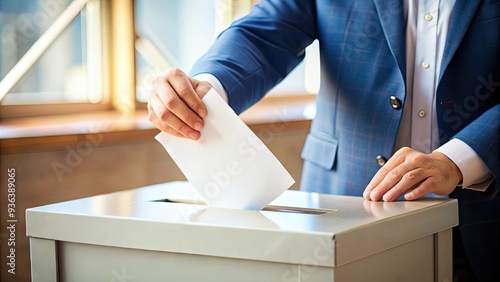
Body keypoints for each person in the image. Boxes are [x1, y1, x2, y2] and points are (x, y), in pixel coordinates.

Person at [148, 0, 499, 280]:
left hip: (482, 220)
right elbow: (265, 33)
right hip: (340, 215)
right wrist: (206, 87)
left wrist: (459, 158)